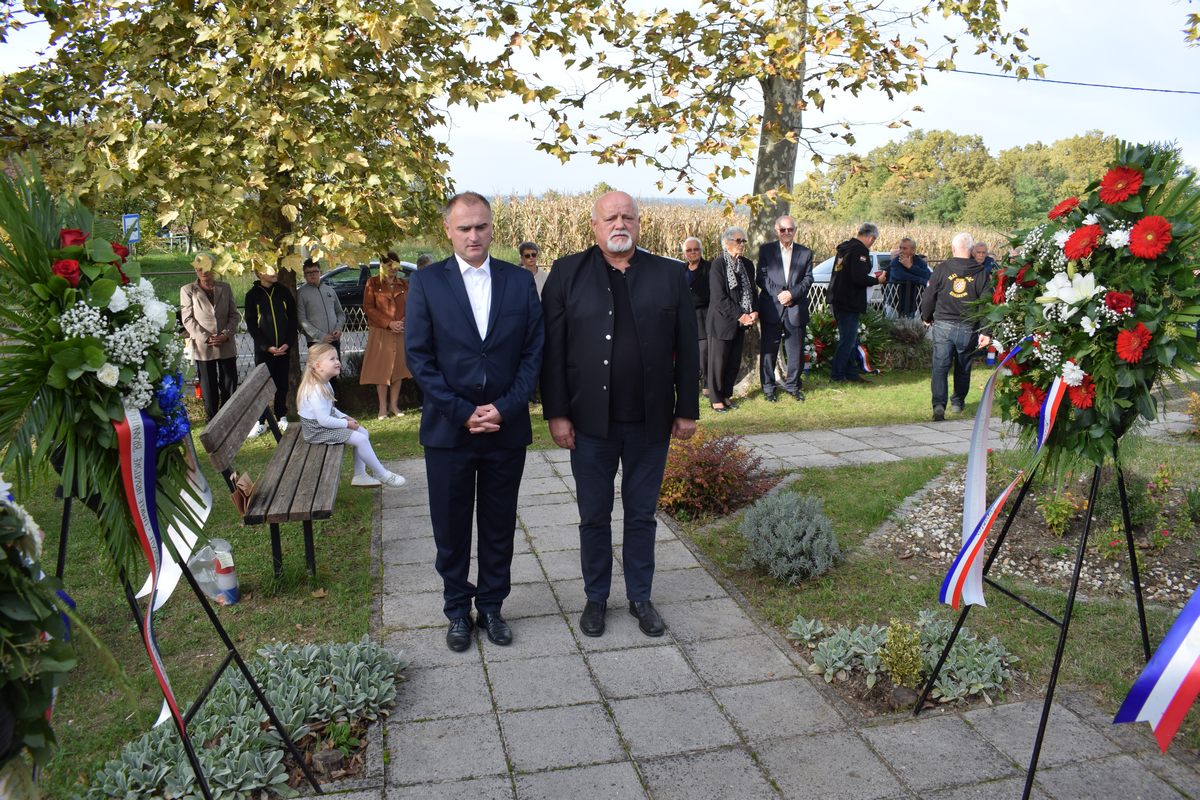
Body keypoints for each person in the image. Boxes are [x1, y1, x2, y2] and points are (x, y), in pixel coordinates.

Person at [541, 190, 699, 639]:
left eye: (628, 217)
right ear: (594, 225)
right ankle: (596, 598)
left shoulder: (669, 275)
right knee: (594, 515)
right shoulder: (566, 274)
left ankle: (640, 597)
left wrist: (687, 409)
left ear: (639, 224)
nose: (619, 224)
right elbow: (552, 352)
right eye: (610, 218)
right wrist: (557, 413)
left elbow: (688, 347)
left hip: (651, 422)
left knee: (641, 515)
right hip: (589, 423)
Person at [405, 192, 544, 652]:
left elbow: (533, 352)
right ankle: (456, 610)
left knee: (499, 525)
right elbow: (419, 358)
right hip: (449, 431)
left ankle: (492, 607)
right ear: (448, 230)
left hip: (506, 428)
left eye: (481, 226)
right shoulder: (427, 283)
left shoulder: (518, 282)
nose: (473, 236)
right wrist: (463, 412)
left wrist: (505, 407)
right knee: (451, 528)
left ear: (491, 228)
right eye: (464, 228)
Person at [296, 343, 406, 487]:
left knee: (363, 433)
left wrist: (344, 417)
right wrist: (346, 424)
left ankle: (360, 475)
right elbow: (323, 420)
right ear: (318, 366)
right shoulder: (316, 389)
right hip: (316, 431)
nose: (337, 361)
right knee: (360, 439)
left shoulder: (324, 383)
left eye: (336, 358)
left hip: (322, 425)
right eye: (332, 359)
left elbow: (330, 409)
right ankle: (382, 474)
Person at [921, 232, 992, 421]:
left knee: (940, 366)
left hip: (943, 324)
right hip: (968, 326)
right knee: (963, 366)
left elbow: (929, 296)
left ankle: (938, 405)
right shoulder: (981, 272)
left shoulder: (942, 269)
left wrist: (926, 316)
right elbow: (986, 303)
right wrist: (986, 331)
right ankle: (957, 402)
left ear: (953, 249)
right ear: (971, 250)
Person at [757, 214, 813, 402]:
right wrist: (781, 294)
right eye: (783, 229)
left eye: (790, 229)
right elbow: (761, 277)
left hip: (795, 308)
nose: (787, 232)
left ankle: (793, 386)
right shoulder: (766, 251)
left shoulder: (805, 252)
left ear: (795, 230)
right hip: (772, 308)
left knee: (795, 351)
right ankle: (768, 388)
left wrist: (792, 294)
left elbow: (808, 279)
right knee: (768, 351)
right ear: (777, 231)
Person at [180, 260, 241, 421]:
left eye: (206, 268)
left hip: (225, 343)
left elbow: (234, 315)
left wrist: (226, 334)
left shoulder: (225, 287)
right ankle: (212, 419)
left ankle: (227, 417)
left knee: (229, 381)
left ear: (213, 269)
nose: (203, 272)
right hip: (203, 346)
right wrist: (206, 337)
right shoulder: (188, 290)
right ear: (195, 270)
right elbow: (187, 319)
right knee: (208, 385)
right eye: (199, 269)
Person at [706, 226, 757, 411]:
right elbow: (718, 298)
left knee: (733, 362)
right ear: (726, 243)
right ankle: (715, 398)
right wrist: (741, 315)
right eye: (738, 240)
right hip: (721, 321)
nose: (742, 244)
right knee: (718, 363)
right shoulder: (718, 265)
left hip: (741, 324)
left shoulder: (747, 265)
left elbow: (752, 291)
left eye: (743, 241)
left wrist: (755, 311)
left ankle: (726, 395)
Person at [829, 223, 887, 383]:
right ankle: (837, 375)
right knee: (847, 340)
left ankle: (851, 373)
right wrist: (877, 280)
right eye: (873, 240)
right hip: (849, 300)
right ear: (871, 237)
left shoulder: (845, 249)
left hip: (838, 298)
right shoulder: (859, 251)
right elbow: (858, 277)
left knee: (850, 339)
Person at [244, 269, 296, 436]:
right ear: (259, 273)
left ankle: (281, 416)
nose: (274, 272)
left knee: (282, 384)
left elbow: (292, 318)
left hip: (283, 349)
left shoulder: (283, 291)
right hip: (264, 351)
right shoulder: (252, 295)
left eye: (274, 267)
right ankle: (260, 421)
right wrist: (266, 346)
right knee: (262, 385)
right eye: (268, 269)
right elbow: (252, 324)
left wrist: (288, 343)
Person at [360, 253, 411, 419]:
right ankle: (382, 408)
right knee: (381, 369)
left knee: (398, 369)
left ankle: (394, 405)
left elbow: (412, 305)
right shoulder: (372, 283)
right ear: (381, 266)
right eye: (389, 265)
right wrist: (389, 323)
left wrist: (403, 321)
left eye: (395, 265)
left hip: (400, 331)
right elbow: (368, 308)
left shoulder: (404, 284)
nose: (393, 268)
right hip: (381, 331)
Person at [297, 258, 345, 396]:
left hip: (333, 340)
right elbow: (301, 319)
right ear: (304, 275)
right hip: (316, 343)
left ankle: (335, 403)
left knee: (334, 374)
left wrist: (338, 328)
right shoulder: (301, 293)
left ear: (320, 272)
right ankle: (319, 402)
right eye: (308, 273)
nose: (312, 275)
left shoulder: (329, 290)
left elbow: (340, 313)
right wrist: (321, 336)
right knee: (319, 375)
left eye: (315, 271)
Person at [682, 237, 710, 395]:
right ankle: (692, 382)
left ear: (701, 251)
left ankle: (707, 384)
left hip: (703, 318)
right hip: (684, 319)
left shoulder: (709, 268)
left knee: (704, 353)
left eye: (696, 249)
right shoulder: (681, 270)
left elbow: (710, 294)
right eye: (689, 250)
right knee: (687, 353)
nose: (692, 252)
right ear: (684, 253)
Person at [886, 237, 931, 319]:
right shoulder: (896, 261)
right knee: (890, 326)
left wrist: (910, 267)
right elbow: (899, 275)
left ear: (913, 250)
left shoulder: (920, 262)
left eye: (904, 248)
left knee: (909, 326)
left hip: (912, 304)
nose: (901, 250)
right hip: (894, 303)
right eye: (900, 248)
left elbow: (928, 275)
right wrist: (921, 280)